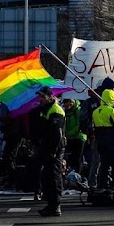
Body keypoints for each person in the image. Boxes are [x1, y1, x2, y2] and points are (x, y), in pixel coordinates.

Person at [36, 87, 66, 217]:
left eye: (43, 97)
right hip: (47, 148)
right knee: (46, 177)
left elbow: (56, 134)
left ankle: (55, 205)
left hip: (54, 150)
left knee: (53, 178)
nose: (40, 99)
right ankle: (50, 204)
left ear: (50, 96)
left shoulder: (55, 111)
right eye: (40, 97)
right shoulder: (46, 109)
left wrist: (53, 151)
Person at [63, 98, 87, 174]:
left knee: (78, 159)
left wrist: (69, 134)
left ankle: (77, 176)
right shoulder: (65, 111)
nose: (67, 104)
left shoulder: (79, 110)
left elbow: (79, 124)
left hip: (79, 137)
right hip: (69, 137)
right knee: (70, 158)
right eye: (65, 102)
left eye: (69, 102)